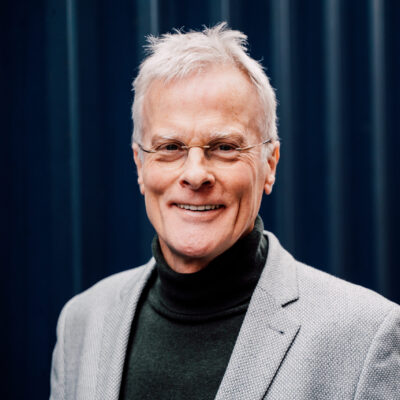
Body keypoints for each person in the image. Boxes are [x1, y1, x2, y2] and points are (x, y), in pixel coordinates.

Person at [50, 23, 400, 399]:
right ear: (140, 164)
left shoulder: (366, 337)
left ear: (270, 164)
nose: (195, 174)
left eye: (224, 147)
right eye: (170, 147)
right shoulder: (81, 324)